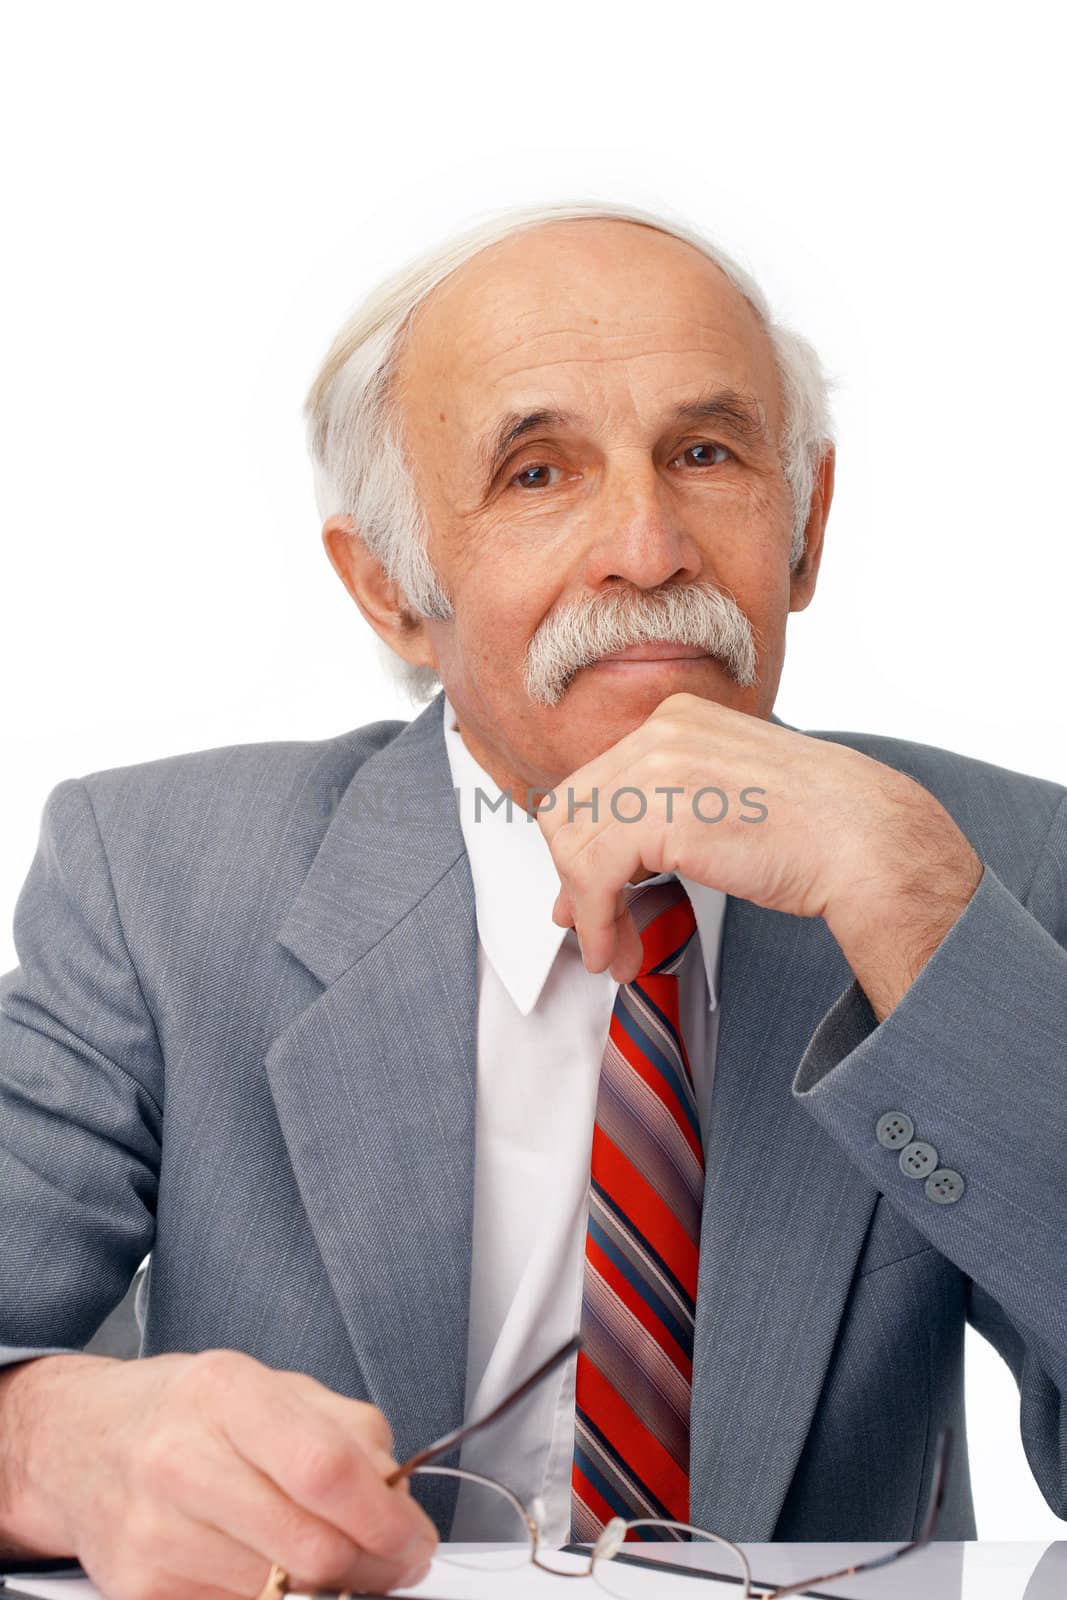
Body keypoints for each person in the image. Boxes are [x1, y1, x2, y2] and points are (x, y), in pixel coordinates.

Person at [1, 198, 1065, 1600]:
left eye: (706, 452)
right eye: (538, 473)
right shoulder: (155, 874)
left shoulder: (994, 865)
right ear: (388, 588)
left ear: (805, 530)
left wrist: (925, 918)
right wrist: (47, 1446)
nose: (647, 547)